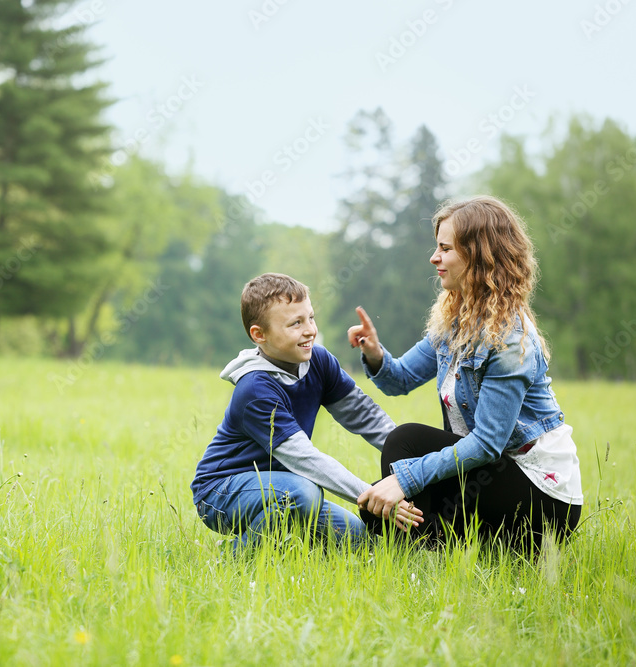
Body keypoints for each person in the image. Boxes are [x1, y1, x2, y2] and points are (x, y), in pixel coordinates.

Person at [350, 196, 583, 551]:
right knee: (375, 511)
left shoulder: (510, 340)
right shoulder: (455, 323)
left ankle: (414, 555)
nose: (434, 257)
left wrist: (405, 479)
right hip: (492, 481)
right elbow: (400, 380)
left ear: (477, 256)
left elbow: (486, 444)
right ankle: (419, 559)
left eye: (445, 248)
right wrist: (374, 351)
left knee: (405, 443)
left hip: (543, 503)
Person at [191, 273, 423, 552]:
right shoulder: (254, 389)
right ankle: (231, 556)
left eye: (310, 318)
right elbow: (307, 460)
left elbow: (365, 416)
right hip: (221, 492)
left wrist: (422, 464)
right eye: (295, 323)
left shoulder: (319, 360)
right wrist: (374, 497)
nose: (310, 330)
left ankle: (280, 543)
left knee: (365, 546)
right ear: (259, 335)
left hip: (285, 489)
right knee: (304, 493)